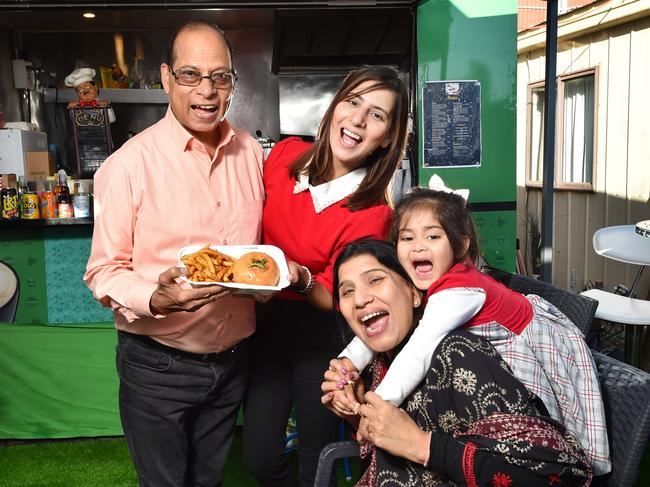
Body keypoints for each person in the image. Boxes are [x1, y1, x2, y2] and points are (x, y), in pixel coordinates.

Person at [330, 175, 611, 476]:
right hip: (494, 344)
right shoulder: (429, 280)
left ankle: (572, 462)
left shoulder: (457, 292)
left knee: (542, 421)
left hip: (528, 345)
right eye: (407, 238)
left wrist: (376, 410)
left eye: (432, 237)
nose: (418, 247)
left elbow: (419, 350)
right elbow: (389, 307)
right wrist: (349, 362)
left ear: (460, 244)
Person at [83, 21, 264, 487]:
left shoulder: (252, 154)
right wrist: (154, 299)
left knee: (208, 481)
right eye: (190, 75)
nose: (207, 90)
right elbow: (103, 271)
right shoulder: (128, 165)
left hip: (234, 361)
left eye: (220, 76)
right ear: (166, 78)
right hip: (158, 362)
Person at [242, 66, 410, 486]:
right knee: (259, 457)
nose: (356, 119)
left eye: (376, 115)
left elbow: (337, 295)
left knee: (317, 457)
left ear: (387, 137)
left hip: (319, 340)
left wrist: (297, 278)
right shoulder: (282, 157)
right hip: (263, 331)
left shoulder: (374, 215)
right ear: (335, 106)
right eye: (352, 102)